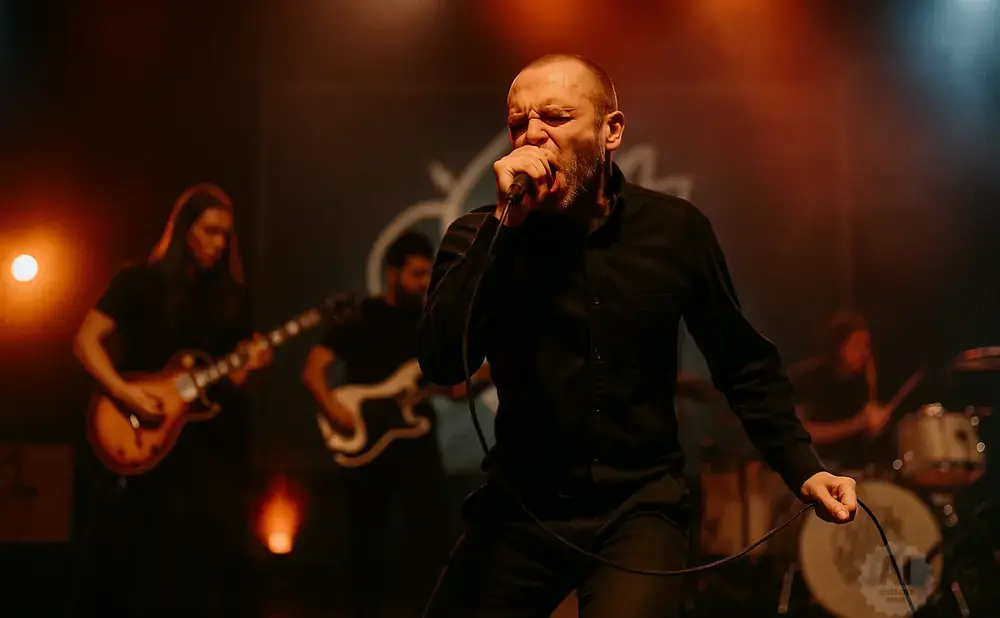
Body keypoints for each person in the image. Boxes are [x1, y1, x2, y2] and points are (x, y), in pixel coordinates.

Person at [416, 54, 859, 618]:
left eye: (555, 117)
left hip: (638, 509)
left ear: (611, 131)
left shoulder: (675, 231)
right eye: (518, 122)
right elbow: (442, 362)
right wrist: (504, 227)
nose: (533, 135)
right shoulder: (481, 235)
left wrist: (804, 467)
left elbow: (742, 362)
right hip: (521, 508)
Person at [71, 183, 271, 614]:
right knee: (138, 567)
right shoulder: (139, 282)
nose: (219, 244)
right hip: (143, 445)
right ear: (185, 230)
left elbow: (233, 383)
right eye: (210, 231)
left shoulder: (231, 299)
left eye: (225, 235)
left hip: (205, 453)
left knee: (214, 565)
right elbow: (86, 341)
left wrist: (248, 369)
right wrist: (125, 393)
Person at [301, 230, 465, 618]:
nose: (424, 282)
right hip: (366, 454)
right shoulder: (362, 315)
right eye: (416, 273)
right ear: (393, 273)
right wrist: (334, 411)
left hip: (417, 447)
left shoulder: (431, 322)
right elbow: (313, 371)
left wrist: (492, 373)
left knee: (434, 544)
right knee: (365, 552)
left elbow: (457, 388)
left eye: (428, 274)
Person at [790, 311, 894, 472]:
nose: (865, 353)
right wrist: (858, 423)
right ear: (838, 347)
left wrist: (874, 427)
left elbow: (861, 441)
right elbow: (801, 432)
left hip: (853, 471)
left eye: (867, 346)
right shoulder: (807, 379)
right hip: (814, 470)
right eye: (857, 346)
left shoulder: (860, 382)